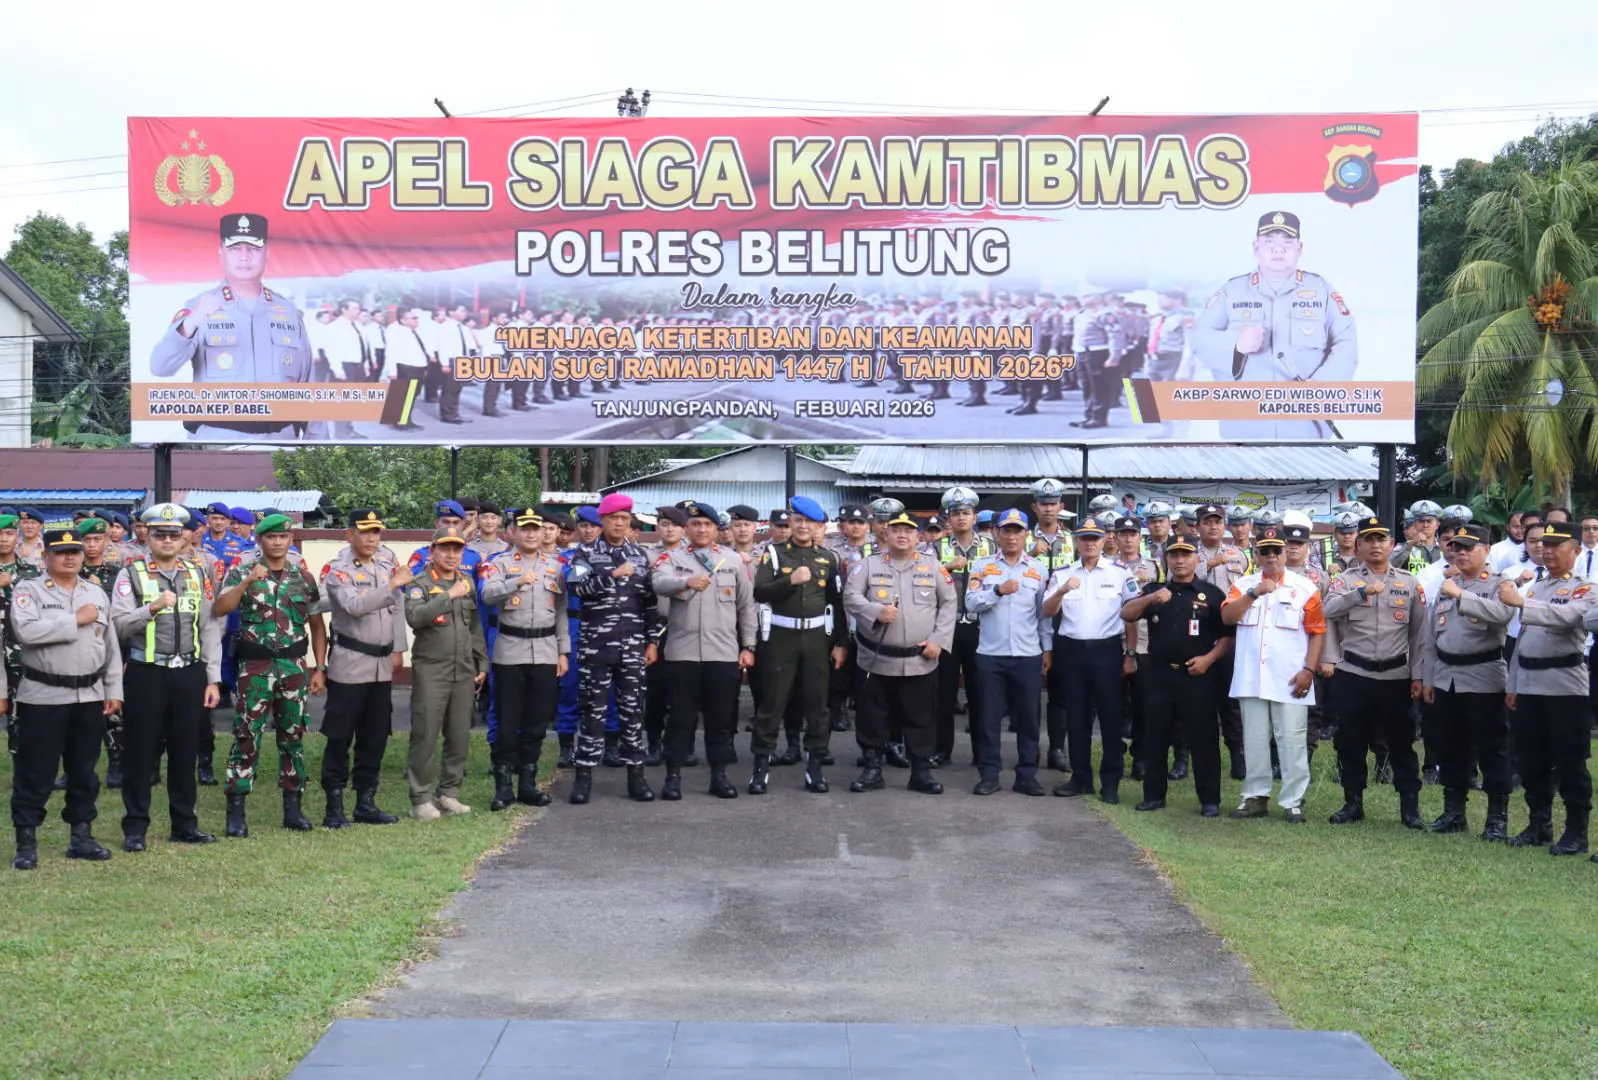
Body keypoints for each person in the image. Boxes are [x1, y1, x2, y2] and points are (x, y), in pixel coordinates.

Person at [148, 213, 325, 441]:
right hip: (217, 442)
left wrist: (317, 445)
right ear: (221, 254)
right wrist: (191, 322)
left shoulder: (288, 311)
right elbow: (160, 367)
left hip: (282, 444)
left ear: (266, 254)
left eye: (253, 248)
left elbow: (308, 383)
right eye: (235, 248)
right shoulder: (198, 307)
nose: (244, 257)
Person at [109, 504, 223, 851]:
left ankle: (185, 824)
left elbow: (209, 627)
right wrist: (152, 608)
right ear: (148, 536)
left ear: (185, 537)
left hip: (189, 673)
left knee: (185, 752)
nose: (169, 540)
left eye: (175, 534)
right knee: (140, 752)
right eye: (161, 534)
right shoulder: (130, 573)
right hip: (146, 672)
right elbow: (118, 624)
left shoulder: (196, 573)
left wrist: (213, 678)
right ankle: (135, 828)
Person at [8, 528, 124, 869]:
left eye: (75, 551)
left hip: (88, 695)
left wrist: (113, 688)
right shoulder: (29, 591)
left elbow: (110, 645)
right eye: (61, 552)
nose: (70, 557)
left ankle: (81, 836)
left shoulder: (95, 592)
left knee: (83, 770)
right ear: (46, 557)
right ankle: (26, 841)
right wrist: (75, 619)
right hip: (43, 696)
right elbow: (26, 632)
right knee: (36, 771)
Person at [1192, 211, 1358, 439]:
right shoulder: (1231, 291)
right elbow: (1199, 339)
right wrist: (1236, 344)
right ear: (1255, 247)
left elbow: (1346, 342)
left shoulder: (1322, 289)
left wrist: (1321, 384)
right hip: (1243, 427)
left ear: (1299, 248)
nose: (1278, 249)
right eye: (1269, 241)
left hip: (1306, 427)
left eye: (1287, 242)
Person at [211, 514, 326, 837]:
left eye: (283, 537)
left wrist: (319, 667)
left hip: (293, 668)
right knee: (246, 736)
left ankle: (293, 808)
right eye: (271, 537)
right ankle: (236, 810)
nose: (278, 542)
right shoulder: (240, 571)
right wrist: (247, 581)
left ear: (290, 541)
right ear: (260, 541)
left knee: (293, 736)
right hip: (255, 670)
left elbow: (317, 625)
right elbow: (220, 608)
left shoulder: (302, 577)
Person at [1320, 516, 1426, 828]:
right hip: (1354, 672)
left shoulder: (1408, 582)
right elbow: (1327, 609)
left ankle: (1410, 808)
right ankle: (1353, 802)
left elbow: (1419, 635)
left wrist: (1418, 676)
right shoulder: (1346, 580)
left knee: (1401, 742)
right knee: (1350, 741)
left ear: (1391, 544)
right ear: (1360, 545)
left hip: (1395, 675)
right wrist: (1361, 593)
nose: (1376, 545)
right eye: (1369, 539)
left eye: (1381, 539)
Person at [843, 510, 956, 794]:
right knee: (873, 717)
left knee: (920, 717)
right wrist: (875, 610)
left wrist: (939, 641)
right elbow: (850, 597)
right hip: (876, 658)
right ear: (886, 534)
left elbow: (949, 602)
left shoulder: (932, 566)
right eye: (896, 530)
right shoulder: (868, 566)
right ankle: (872, 769)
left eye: (908, 530)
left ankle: (921, 772)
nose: (902, 535)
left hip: (919, 659)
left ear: (918, 536)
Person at [651, 502, 756, 800]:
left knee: (720, 720)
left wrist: (748, 645)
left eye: (707, 525)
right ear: (687, 528)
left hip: (722, 654)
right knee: (681, 719)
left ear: (715, 529)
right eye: (695, 524)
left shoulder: (733, 560)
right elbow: (657, 583)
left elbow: (747, 607)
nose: (701, 529)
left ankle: (719, 776)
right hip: (682, 653)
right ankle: (673, 777)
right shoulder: (671, 558)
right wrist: (686, 581)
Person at [1222, 525, 1327, 823]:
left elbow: (1318, 632)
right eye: (1264, 550)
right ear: (1255, 554)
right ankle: (1255, 796)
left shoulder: (1305, 587)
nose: (1271, 556)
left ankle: (1293, 801)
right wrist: (1254, 593)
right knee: (1254, 739)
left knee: (1292, 739)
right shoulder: (1242, 585)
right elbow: (1227, 617)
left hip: (1290, 678)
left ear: (1285, 553)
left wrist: (1309, 669)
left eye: (1276, 550)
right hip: (1252, 678)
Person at [1503, 521, 1596, 855]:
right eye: (1545, 544)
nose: (1548, 550)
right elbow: (1523, 639)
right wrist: (1513, 682)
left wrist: (1520, 603)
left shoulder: (1585, 588)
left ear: (1574, 549)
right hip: (1529, 683)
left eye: (1557, 545)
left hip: (1564, 685)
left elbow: (1569, 618)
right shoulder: (1538, 587)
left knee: (1569, 760)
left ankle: (1576, 831)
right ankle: (1538, 824)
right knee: (1531, 759)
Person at [1121, 536, 1232, 815]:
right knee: (1155, 736)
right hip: (1159, 673)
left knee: (1203, 738)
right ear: (1166, 559)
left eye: (1186, 554)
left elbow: (1227, 637)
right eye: (1174, 555)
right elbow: (1127, 613)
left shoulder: (1212, 593)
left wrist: (1208, 659)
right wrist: (1149, 597)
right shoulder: (1155, 591)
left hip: (1198, 675)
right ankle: (1154, 796)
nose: (1180, 560)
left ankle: (1209, 800)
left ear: (1196, 558)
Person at [749, 496, 849, 795]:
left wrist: (841, 642)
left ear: (820, 526)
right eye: (798, 520)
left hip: (817, 639)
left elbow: (836, 603)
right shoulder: (774, 554)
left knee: (818, 705)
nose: (803, 526)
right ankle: (760, 768)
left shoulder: (829, 559)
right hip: (781, 637)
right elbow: (759, 591)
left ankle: (814, 769)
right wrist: (789, 581)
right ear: (790, 522)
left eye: (810, 521)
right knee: (772, 702)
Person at [1420, 523, 1514, 841]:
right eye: (1456, 547)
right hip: (1447, 677)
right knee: (1450, 746)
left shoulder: (1499, 583)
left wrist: (1461, 595)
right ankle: (1454, 811)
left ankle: (1497, 818)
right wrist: (1429, 677)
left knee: (1491, 748)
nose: (1460, 553)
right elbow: (1433, 635)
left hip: (1483, 674)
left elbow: (1503, 615)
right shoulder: (1448, 584)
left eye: (1468, 547)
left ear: (1487, 550)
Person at [566, 493, 660, 804]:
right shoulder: (585, 553)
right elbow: (576, 588)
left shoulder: (639, 555)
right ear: (603, 521)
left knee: (633, 712)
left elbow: (649, 603)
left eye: (624, 519)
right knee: (592, 712)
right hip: (596, 648)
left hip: (633, 647)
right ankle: (583, 777)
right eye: (613, 519)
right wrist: (609, 575)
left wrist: (652, 641)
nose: (619, 523)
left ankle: (637, 775)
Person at [319, 509, 411, 827]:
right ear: (349, 534)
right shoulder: (338, 570)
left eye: (376, 532)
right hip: (350, 664)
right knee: (340, 735)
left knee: (375, 736)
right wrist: (393, 585)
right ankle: (334, 804)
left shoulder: (386, 565)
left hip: (380, 665)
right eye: (365, 531)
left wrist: (399, 647)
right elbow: (354, 607)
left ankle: (365, 801)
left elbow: (397, 608)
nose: (372, 538)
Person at [479, 510, 569, 810]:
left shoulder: (555, 567)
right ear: (512, 532)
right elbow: (488, 594)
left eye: (536, 528)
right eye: (525, 528)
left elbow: (560, 613)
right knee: (507, 721)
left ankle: (528, 784)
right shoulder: (499, 564)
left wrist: (563, 651)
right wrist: (516, 582)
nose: (531, 534)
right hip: (510, 650)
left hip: (544, 650)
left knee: (537, 720)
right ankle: (503, 786)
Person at [1044, 520, 1134, 802]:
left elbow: (1131, 613)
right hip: (1071, 652)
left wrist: (1130, 653)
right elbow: (1046, 611)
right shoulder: (1062, 574)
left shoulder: (1120, 573)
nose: (1090, 543)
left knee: (1110, 718)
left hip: (1107, 652)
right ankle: (1080, 778)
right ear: (1076, 542)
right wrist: (1061, 591)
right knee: (1076, 718)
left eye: (1094, 538)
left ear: (1104, 540)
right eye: (1084, 539)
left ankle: (1111, 782)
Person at [963, 508, 1052, 795]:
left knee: (1028, 718)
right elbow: (970, 604)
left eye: (1017, 530)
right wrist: (997, 591)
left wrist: (1047, 650)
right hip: (991, 654)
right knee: (989, 718)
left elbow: (1044, 616)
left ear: (1027, 534)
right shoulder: (982, 566)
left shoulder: (1038, 569)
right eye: (1006, 530)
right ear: (997, 533)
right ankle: (989, 774)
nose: (1012, 536)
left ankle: (1026, 774)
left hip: (1027, 655)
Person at [403, 525, 488, 819]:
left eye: (457, 549)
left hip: (463, 668)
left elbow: (474, 627)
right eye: (445, 548)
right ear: (433, 551)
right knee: (425, 733)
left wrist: (482, 661)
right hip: (432, 670)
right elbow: (415, 617)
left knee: (459, 733)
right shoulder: (420, 584)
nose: (451, 554)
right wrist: (448, 595)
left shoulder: (467, 581)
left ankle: (449, 793)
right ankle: (420, 798)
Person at [935, 486, 993, 766]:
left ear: (974, 517)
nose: (960, 518)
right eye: (955, 513)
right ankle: (941, 750)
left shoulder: (990, 546)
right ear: (948, 519)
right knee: (943, 693)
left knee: (979, 693)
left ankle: (981, 752)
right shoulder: (936, 547)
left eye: (966, 513)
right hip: (946, 626)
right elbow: (923, 580)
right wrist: (947, 567)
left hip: (981, 627)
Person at [1194, 503, 1250, 779]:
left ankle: (1236, 755)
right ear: (1198, 526)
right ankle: (1187, 756)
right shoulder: (1188, 554)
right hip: (1199, 633)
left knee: (1231, 698)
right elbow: (1176, 580)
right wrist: (1207, 565)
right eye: (1207, 521)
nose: (1213, 526)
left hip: (1231, 633)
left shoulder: (1238, 554)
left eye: (1218, 521)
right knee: (1197, 699)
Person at [1028, 478, 1076, 771]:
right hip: (1026, 618)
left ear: (1061, 506)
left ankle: (1057, 748)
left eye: (1053, 503)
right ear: (1034, 507)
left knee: (1060, 689)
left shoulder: (1073, 539)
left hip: (1063, 618)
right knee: (1028, 689)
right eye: (1043, 503)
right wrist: (1030, 554)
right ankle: (1028, 746)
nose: (1048, 508)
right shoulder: (1018, 535)